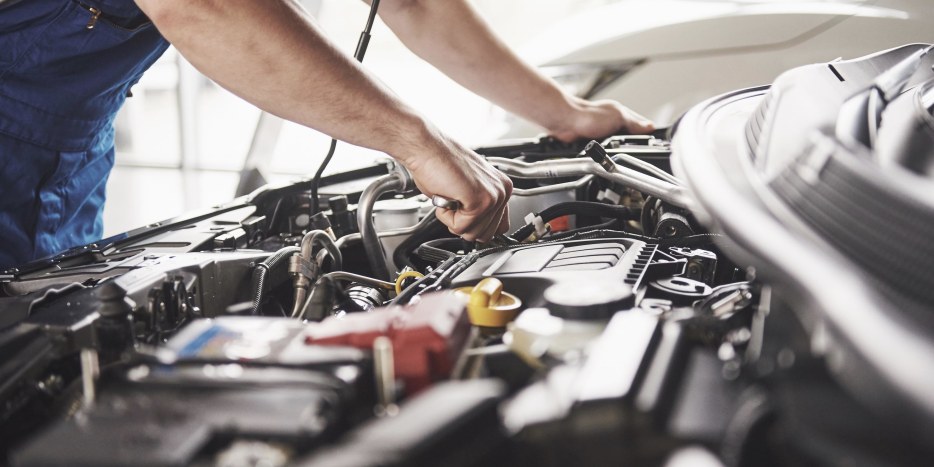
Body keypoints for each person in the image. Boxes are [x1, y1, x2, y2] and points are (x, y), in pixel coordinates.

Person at [0, 0, 653, 269]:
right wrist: (418, 141)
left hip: (63, 155)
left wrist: (564, 113)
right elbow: (203, 7)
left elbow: (410, 2)